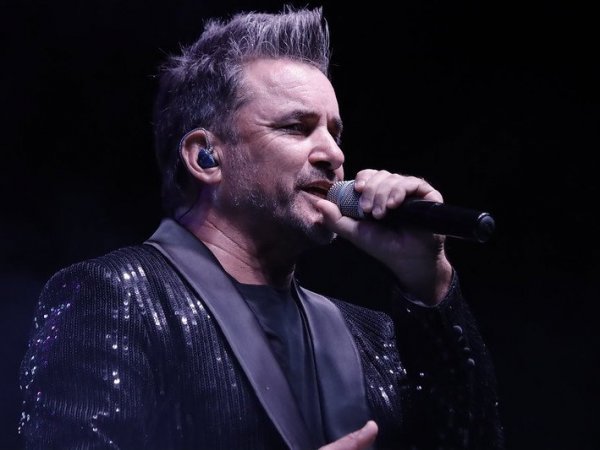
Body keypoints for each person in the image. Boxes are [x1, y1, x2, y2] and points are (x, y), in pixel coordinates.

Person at [19, 6, 504, 450]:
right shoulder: (115, 297)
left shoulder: (369, 335)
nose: (334, 154)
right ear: (206, 157)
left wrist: (428, 279)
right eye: (296, 127)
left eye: (334, 133)